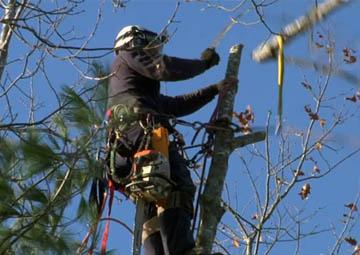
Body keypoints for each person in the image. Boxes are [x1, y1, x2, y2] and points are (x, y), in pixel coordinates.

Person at [106, 25, 226, 255]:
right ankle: (182, 251)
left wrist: (212, 90)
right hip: (141, 136)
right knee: (177, 185)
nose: (153, 52)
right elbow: (163, 67)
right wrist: (204, 64)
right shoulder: (127, 56)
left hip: (125, 150)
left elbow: (172, 105)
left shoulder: (133, 86)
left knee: (153, 203)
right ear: (134, 42)